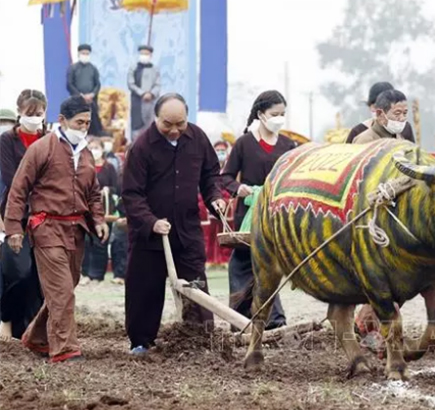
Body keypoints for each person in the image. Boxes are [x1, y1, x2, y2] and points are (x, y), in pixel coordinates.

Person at [4, 96, 108, 362]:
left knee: (65, 287)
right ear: (62, 120)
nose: (83, 127)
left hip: (76, 231)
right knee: (61, 290)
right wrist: (14, 227)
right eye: (78, 122)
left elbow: (94, 193)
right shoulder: (41, 148)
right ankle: (65, 349)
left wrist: (98, 220)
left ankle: (36, 338)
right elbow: (18, 189)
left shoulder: (85, 153)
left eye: (86, 123)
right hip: (46, 226)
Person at [122, 93, 226, 355]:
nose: (175, 130)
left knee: (196, 287)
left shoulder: (197, 138)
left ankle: (200, 341)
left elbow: (211, 174)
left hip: (187, 229)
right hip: (150, 235)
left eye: (180, 123)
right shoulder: (141, 147)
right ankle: (141, 342)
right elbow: (132, 194)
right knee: (145, 289)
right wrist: (151, 221)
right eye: (168, 124)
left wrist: (215, 198)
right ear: (156, 118)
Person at [219, 90, 296, 329]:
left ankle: (274, 320)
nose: (279, 119)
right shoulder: (244, 144)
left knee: (269, 264)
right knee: (242, 262)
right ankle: (241, 319)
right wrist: (239, 188)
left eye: (283, 114)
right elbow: (226, 177)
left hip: (278, 213)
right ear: (261, 115)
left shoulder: (288, 145)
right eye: (275, 114)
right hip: (250, 213)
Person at [0, 90, 47, 341]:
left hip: (45, 216)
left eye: (39, 114)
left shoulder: (49, 138)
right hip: (15, 213)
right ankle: (7, 319)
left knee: (39, 276)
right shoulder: (7, 141)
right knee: (18, 271)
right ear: (19, 112)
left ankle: (31, 329)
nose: (34, 118)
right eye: (29, 114)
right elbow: (11, 178)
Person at [81, 139, 120, 284]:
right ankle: (85, 273)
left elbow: (117, 187)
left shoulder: (109, 167)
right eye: (91, 147)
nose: (94, 150)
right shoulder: (84, 166)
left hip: (104, 211)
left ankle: (97, 275)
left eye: (96, 147)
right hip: (86, 209)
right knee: (85, 242)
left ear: (103, 149)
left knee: (100, 242)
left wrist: (108, 190)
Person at [346, 82, 415, 143]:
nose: (402, 118)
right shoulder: (358, 132)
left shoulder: (403, 128)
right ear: (373, 107)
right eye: (397, 113)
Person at [67, 44, 104, 136]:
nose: (85, 55)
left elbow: (97, 84)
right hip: (77, 102)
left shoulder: (93, 68)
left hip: (91, 102)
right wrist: (80, 96)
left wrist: (92, 94)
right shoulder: (73, 68)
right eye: (83, 53)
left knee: (93, 124)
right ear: (79, 54)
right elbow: (69, 84)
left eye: (87, 53)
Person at [127, 45, 161, 139]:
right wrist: (142, 93)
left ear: (151, 55)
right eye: (142, 53)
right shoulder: (133, 68)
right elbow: (131, 84)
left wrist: (151, 94)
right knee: (136, 127)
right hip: (137, 101)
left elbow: (158, 85)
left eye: (146, 54)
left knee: (150, 126)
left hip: (151, 102)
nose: (144, 56)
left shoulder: (155, 69)